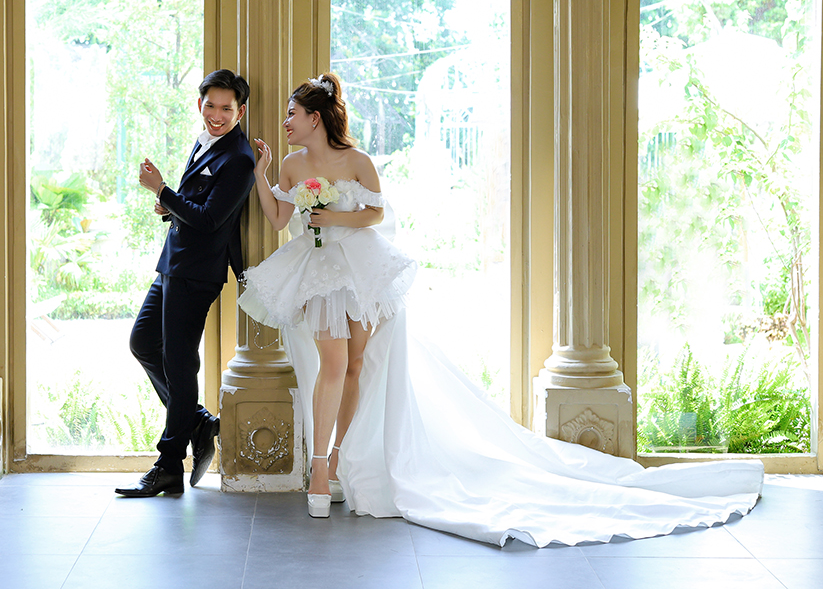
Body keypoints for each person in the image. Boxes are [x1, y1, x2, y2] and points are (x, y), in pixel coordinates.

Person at [237, 72, 765, 545]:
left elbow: (374, 217)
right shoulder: (292, 163)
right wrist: (263, 173)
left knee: (355, 365)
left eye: (292, 113)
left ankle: (340, 463)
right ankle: (319, 472)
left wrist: (333, 217)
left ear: (315, 118)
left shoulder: (358, 162)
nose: (286, 122)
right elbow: (281, 219)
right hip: (321, 274)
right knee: (333, 365)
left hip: (361, 270)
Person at [115, 69, 256, 498]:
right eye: (210, 105)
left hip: (197, 273)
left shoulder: (240, 159)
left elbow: (211, 220)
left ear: (240, 112)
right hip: (173, 264)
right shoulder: (204, 141)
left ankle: (169, 466)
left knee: (179, 365)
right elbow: (195, 204)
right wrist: (169, 206)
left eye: (226, 108)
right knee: (142, 342)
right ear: (200, 105)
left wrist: (161, 190)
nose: (216, 115)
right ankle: (197, 421)